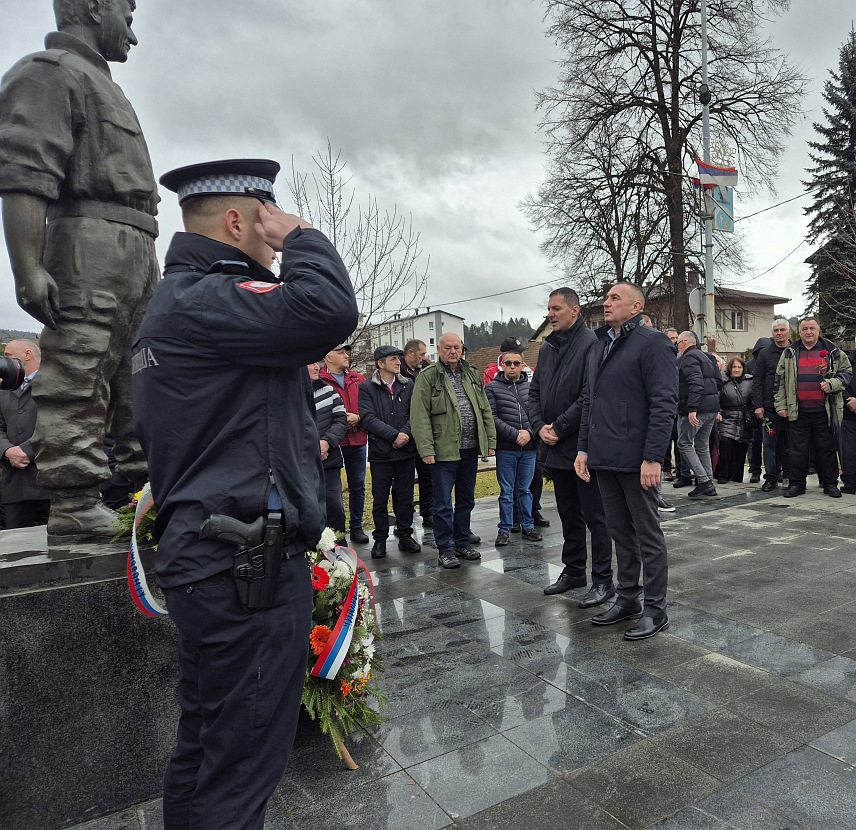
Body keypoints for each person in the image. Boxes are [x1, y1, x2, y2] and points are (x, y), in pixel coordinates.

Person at [131, 158, 358, 830]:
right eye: (268, 225)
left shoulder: (177, 302)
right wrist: (307, 235)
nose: (275, 240)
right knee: (241, 768)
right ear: (238, 221)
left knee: (207, 751)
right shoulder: (210, 296)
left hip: (217, 562)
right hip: (242, 573)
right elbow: (326, 309)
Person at [0, 0, 159, 543]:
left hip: (136, 246)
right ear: (95, 6)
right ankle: (74, 501)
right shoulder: (48, 73)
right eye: (129, 18)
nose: (132, 37)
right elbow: (25, 174)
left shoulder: (103, 83)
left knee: (141, 376)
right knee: (78, 371)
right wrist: (27, 267)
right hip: (86, 245)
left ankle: (148, 492)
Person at [575, 282, 678, 640]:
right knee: (620, 533)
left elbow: (664, 404)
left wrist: (654, 456)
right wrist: (584, 448)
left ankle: (656, 610)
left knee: (647, 535)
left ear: (636, 308)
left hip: (637, 458)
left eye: (614, 298)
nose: (606, 303)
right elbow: (591, 400)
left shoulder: (653, 343)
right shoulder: (600, 344)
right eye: (605, 298)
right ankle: (628, 598)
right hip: (604, 456)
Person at [529, 288, 614, 607]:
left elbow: (589, 395)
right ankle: (575, 570)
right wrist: (539, 427)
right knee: (568, 513)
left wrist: (559, 427)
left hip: (583, 446)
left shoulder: (591, 344)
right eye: (548, 309)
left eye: (557, 309)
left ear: (575, 311)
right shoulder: (548, 347)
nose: (550, 314)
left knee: (596, 516)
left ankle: (603, 580)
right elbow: (534, 391)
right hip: (553, 446)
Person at [410, 333, 496, 569]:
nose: (453, 351)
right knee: (443, 504)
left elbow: (485, 409)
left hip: (469, 449)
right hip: (442, 451)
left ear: (461, 349)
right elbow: (419, 416)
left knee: (466, 499)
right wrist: (426, 449)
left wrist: (489, 440)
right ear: (438, 349)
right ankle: (445, 548)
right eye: (447, 347)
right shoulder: (428, 377)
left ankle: (461, 541)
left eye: (456, 347)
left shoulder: (471, 374)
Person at [774, 318, 852, 499]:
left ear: (819, 330)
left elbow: (847, 372)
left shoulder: (833, 352)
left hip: (825, 411)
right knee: (797, 451)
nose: (808, 332)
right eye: (804, 329)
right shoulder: (789, 352)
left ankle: (830, 484)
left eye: (812, 328)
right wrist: (780, 405)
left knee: (827, 449)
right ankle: (797, 485)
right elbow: (779, 381)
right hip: (798, 411)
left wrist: (832, 383)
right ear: (799, 332)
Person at [358, 345, 420, 558]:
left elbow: (415, 413)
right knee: (380, 498)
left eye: (399, 358)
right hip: (381, 453)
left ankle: (404, 535)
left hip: (406, 451)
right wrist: (394, 436)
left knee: (405, 496)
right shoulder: (367, 387)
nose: (398, 362)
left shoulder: (408, 385)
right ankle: (380, 539)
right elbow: (367, 418)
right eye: (393, 359)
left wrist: (404, 435)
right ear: (380, 363)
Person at [485, 349, 541, 546]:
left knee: (525, 490)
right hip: (506, 447)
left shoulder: (533, 386)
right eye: (508, 363)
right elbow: (492, 417)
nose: (512, 367)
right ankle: (504, 529)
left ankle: (528, 526)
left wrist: (528, 433)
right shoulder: (492, 388)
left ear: (523, 365)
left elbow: (538, 414)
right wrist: (515, 434)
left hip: (529, 448)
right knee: (506, 491)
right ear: (502, 365)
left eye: (516, 363)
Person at [320, 345, 369, 543]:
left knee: (358, 486)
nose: (346, 355)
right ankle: (332, 532)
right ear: (328, 356)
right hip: (332, 444)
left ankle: (356, 527)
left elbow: (370, 406)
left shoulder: (358, 379)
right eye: (341, 352)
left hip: (357, 440)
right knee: (332, 490)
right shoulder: (319, 380)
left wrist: (359, 418)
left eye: (346, 352)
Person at [0, 340, 50, 528]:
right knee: (17, 549)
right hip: (15, 484)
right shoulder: (3, 389)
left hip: (50, 481)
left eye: (8, 355)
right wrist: (7, 451)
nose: (3, 361)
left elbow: (59, 424)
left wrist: (26, 451)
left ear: (27, 355)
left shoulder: (53, 385)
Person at [675, 330, 721, 497]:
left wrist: (692, 408)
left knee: (684, 443)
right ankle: (709, 482)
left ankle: (704, 481)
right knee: (702, 445)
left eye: (678, 343)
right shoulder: (704, 357)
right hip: (710, 409)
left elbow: (696, 383)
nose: (677, 347)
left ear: (684, 343)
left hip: (697, 410)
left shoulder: (688, 358)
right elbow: (716, 382)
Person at [308, 360, 348, 543]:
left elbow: (341, 420)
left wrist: (326, 443)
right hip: (304, 465)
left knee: (335, 508)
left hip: (329, 462)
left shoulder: (330, 391)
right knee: (310, 510)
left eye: (318, 363)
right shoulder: (288, 396)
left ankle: (341, 553)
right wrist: (313, 449)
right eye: (311, 364)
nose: (317, 367)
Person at [752, 320, 792, 491]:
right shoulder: (765, 354)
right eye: (776, 330)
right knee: (768, 444)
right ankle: (770, 478)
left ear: (789, 332)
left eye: (782, 330)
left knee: (790, 445)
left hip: (792, 407)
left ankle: (791, 476)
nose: (779, 333)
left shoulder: (795, 351)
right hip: (770, 408)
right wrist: (758, 405)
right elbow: (758, 380)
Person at [400, 338, 433, 527]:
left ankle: (428, 513)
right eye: (421, 354)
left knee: (427, 475)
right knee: (402, 482)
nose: (425, 357)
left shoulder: (427, 368)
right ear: (410, 353)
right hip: (405, 431)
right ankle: (403, 519)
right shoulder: (397, 369)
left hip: (424, 430)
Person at [715, 356, 755, 483]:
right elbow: (716, 398)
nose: (737, 370)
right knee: (726, 445)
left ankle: (737, 477)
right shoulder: (722, 381)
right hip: (727, 417)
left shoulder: (750, 381)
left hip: (744, 419)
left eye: (739, 367)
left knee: (741, 448)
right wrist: (718, 412)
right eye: (734, 367)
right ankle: (723, 476)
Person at [745, 338, 771, 483]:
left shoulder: (774, 362)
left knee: (773, 443)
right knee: (755, 442)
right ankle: (755, 469)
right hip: (754, 408)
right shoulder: (749, 365)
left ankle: (774, 470)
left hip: (771, 407)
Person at [841, 351, 856, 495]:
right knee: (849, 452)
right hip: (849, 415)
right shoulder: (847, 362)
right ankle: (850, 485)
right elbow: (841, 383)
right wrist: (849, 401)